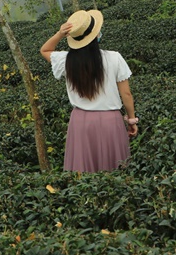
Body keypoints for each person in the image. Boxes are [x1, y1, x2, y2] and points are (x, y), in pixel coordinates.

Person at [40, 9, 137, 172]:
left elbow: (45, 50)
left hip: (81, 122)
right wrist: (132, 120)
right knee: (115, 171)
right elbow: (126, 94)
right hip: (110, 121)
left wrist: (59, 33)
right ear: (96, 34)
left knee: (84, 174)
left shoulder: (67, 60)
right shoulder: (114, 57)